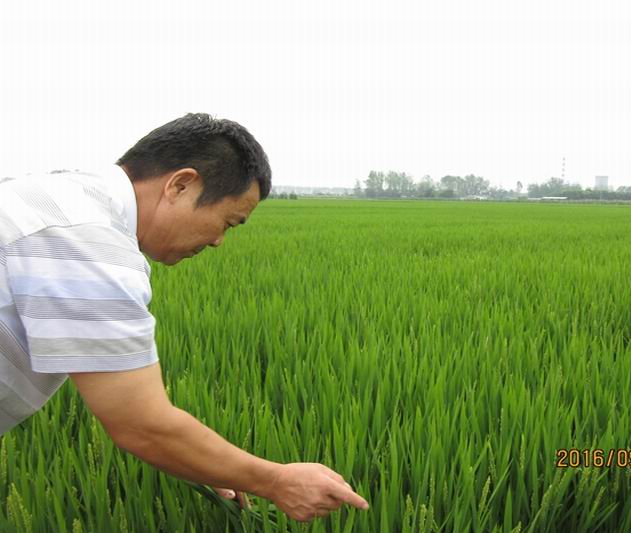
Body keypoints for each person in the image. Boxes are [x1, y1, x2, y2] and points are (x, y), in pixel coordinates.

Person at [0, 113, 369, 522]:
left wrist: (209, 465)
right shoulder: (87, 242)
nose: (218, 241)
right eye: (228, 222)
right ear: (180, 184)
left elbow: (109, 385)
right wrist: (277, 481)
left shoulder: (56, 201)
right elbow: (139, 422)